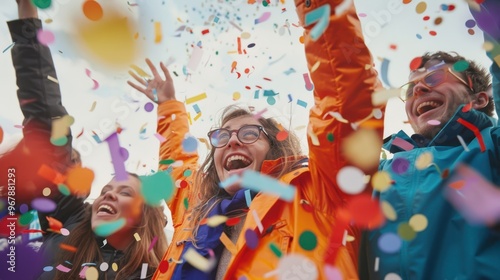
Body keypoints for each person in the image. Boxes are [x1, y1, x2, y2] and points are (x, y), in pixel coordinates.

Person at [127, 0, 383, 279]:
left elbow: (346, 103)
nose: (232, 142)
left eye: (249, 133)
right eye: (222, 136)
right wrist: (168, 106)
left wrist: (320, 7)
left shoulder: (317, 191)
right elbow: (176, 164)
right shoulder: (196, 210)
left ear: (275, 148)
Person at [359, 3, 500, 279]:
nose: (420, 89)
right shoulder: (378, 173)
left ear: (480, 98)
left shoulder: (491, 148)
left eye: (435, 78)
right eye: (411, 89)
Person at [37, 172, 169, 280]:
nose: (108, 194)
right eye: (104, 191)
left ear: (144, 216)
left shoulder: (156, 275)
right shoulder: (68, 221)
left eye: (125, 193)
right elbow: (52, 156)